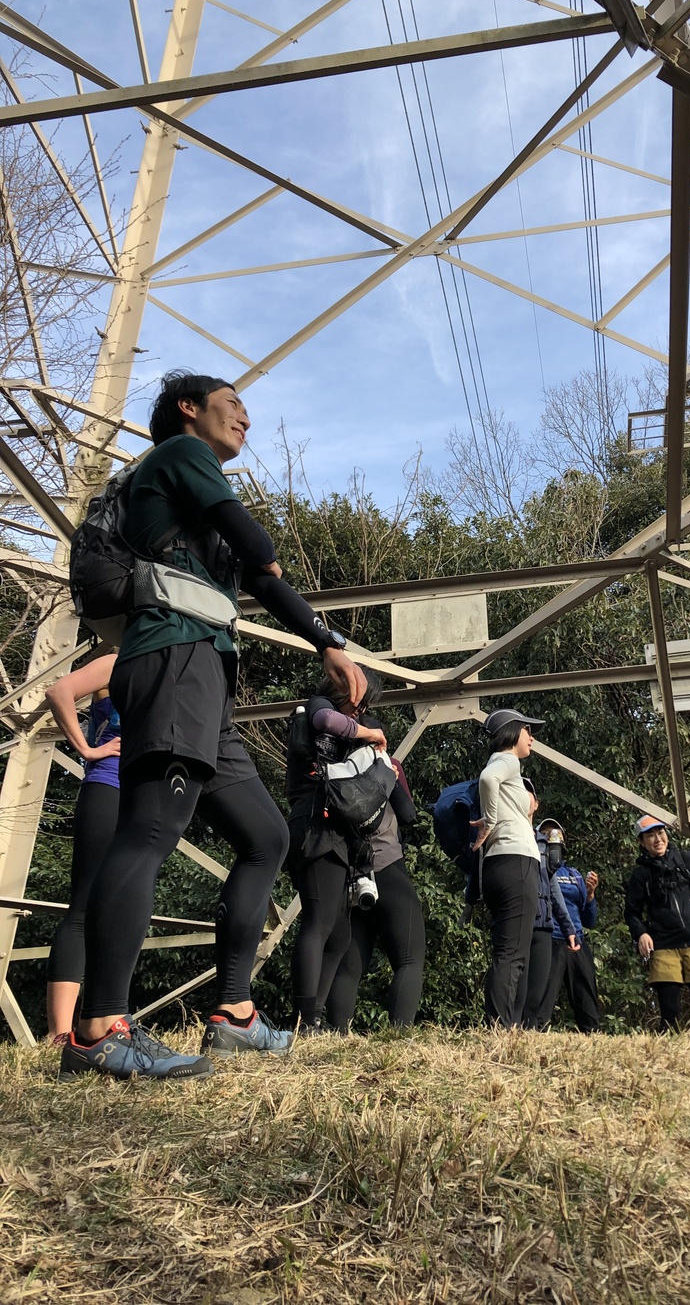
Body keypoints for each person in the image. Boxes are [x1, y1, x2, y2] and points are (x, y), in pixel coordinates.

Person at [59, 370, 366, 1082]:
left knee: (266, 834)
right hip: (171, 659)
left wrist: (329, 641)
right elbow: (257, 546)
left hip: (203, 672)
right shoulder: (178, 455)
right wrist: (260, 548)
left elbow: (263, 577)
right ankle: (101, 1026)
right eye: (235, 406)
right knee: (149, 830)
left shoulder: (192, 505)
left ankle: (232, 1013)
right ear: (190, 410)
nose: (247, 421)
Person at [285, 669, 389, 1032]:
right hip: (314, 823)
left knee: (340, 935)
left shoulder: (346, 729)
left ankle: (312, 1015)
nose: (362, 711)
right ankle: (304, 1019)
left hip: (335, 830)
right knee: (320, 921)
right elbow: (325, 719)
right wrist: (368, 733)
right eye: (362, 701)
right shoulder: (320, 706)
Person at [43, 652, 121, 1042]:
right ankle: (60, 1032)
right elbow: (59, 692)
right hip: (108, 787)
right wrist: (88, 751)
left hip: (147, 798)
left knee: (121, 910)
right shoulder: (117, 660)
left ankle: (106, 1019)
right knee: (84, 907)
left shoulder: (174, 669)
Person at [324, 755, 426, 1033]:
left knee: (349, 967)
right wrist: (391, 776)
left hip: (351, 873)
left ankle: (337, 1035)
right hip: (387, 864)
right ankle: (398, 1034)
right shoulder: (385, 764)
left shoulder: (333, 770)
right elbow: (407, 815)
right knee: (410, 958)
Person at [471, 707, 545, 1028]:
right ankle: (499, 1029)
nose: (532, 737)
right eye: (528, 730)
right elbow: (488, 779)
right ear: (513, 732)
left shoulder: (502, 765)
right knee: (512, 955)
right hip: (517, 864)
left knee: (512, 952)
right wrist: (489, 821)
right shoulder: (507, 760)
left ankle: (509, 1026)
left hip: (498, 866)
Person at [625, 815, 690, 1037]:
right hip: (663, 944)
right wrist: (641, 934)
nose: (657, 839)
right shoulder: (641, 875)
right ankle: (667, 1051)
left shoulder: (685, 859)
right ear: (641, 842)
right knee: (669, 1017)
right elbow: (631, 912)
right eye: (650, 835)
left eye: (661, 833)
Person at [515, 803, 578, 1030]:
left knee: (536, 993)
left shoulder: (548, 852)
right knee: (517, 990)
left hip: (543, 923)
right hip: (519, 920)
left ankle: (529, 1037)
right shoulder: (513, 835)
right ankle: (509, 1034)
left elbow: (554, 891)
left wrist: (569, 930)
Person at [535, 819, 600, 1033]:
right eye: (547, 834)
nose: (553, 838)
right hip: (549, 938)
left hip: (576, 940)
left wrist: (590, 896)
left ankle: (591, 1034)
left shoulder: (574, 875)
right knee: (544, 993)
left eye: (557, 835)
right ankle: (536, 1033)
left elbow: (588, 920)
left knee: (586, 994)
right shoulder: (536, 868)